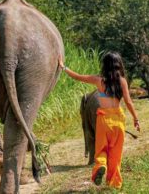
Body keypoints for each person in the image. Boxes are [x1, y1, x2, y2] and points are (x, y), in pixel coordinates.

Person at [58, 51, 140, 189]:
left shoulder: (99, 80)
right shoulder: (122, 81)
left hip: (103, 120)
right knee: (115, 153)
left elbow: (78, 77)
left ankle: (101, 165)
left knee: (101, 149)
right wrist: (136, 119)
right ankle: (114, 184)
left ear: (105, 65)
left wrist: (63, 66)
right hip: (118, 121)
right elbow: (129, 102)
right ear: (119, 65)